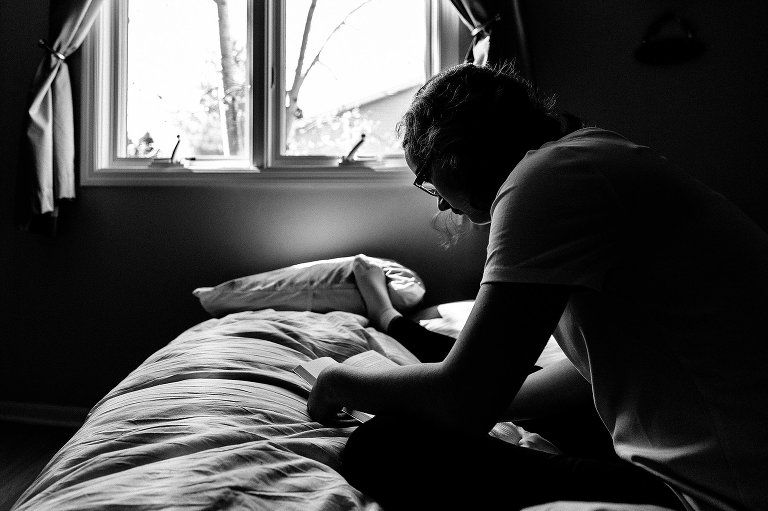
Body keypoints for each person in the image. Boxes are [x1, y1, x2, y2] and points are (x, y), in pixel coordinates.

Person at [307, 62, 768, 511]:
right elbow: (595, 370)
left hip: (724, 486)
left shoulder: (549, 178)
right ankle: (392, 323)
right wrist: (483, 401)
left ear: (455, 153)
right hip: (732, 450)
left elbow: (462, 399)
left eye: (426, 179)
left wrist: (338, 380)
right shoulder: (587, 157)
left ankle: (389, 322)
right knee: (460, 389)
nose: (443, 201)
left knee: (385, 447)